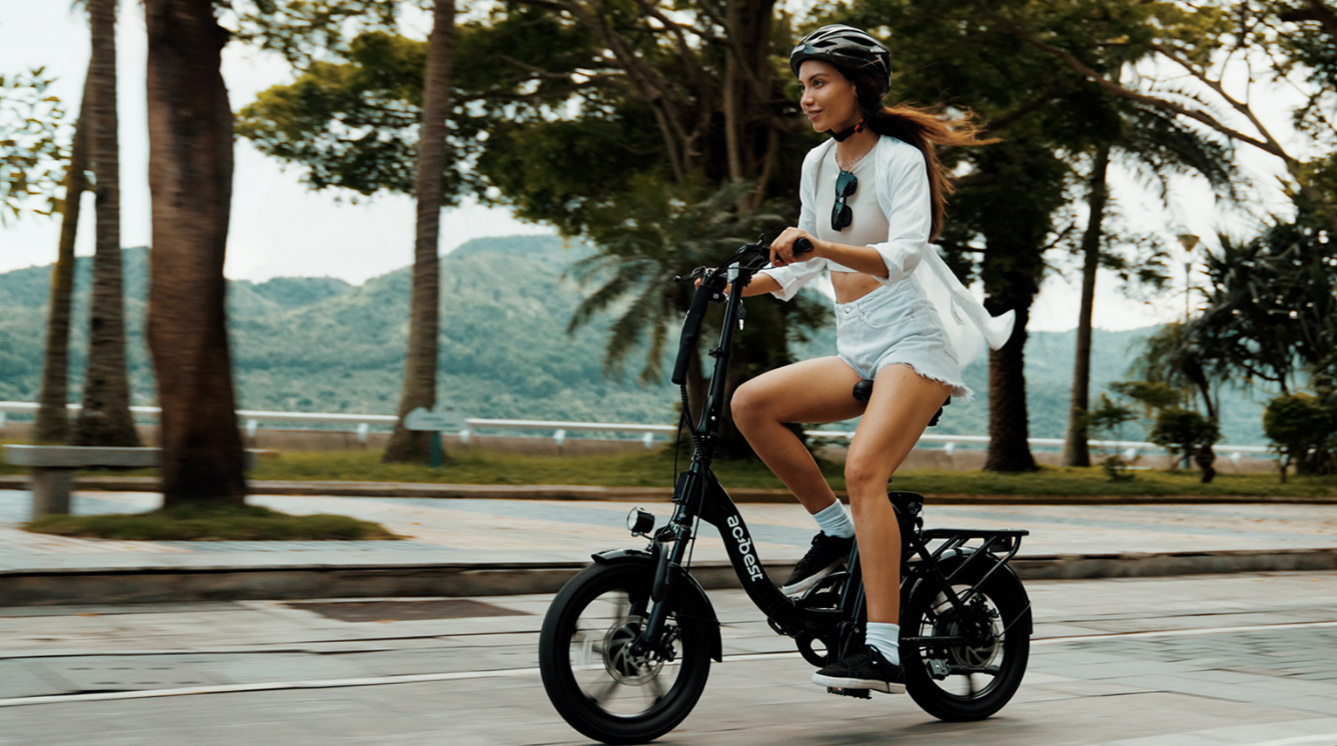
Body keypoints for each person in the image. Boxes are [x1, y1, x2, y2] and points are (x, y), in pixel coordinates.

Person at [728, 25, 1015, 694]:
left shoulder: (897, 160)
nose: (806, 96)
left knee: (864, 469)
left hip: (912, 342)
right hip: (855, 343)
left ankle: (883, 650)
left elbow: (904, 255)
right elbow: (795, 269)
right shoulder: (817, 165)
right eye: (802, 85)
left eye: (818, 82)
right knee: (751, 404)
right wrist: (730, 285)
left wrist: (818, 250)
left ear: (857, 87)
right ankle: (834, 533)